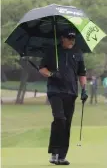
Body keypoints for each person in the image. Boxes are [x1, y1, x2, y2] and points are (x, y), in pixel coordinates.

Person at [39, 29, 88, 165]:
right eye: (69, 38)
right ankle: (54, 153)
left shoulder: (77, 53)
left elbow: (82, 73)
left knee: (67, 123)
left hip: (71, 92)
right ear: (62, 38)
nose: (71, 40)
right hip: (55, 91)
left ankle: (61, 156)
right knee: (59, 119)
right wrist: (52, 74)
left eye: (73, 38)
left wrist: (84, 89)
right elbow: (42, 69)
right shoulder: (52, 51)